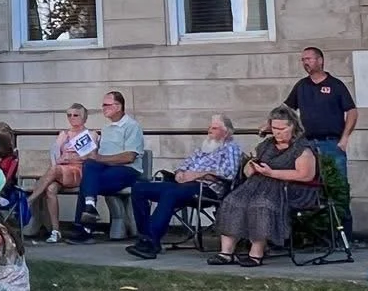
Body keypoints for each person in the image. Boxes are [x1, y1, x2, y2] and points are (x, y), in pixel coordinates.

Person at [207, 107, 321, 267]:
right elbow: (247, 172)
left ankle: (256, 253)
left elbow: (305, 175)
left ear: (293, 126)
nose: (277, 133)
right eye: (274, 128)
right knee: (232, 201)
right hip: (258, 184)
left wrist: (272, 173)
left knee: (261, 205)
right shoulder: (266, 145)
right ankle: (226, 253)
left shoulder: (302, 148)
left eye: (282, 129)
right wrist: (252, 167)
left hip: (289, 188)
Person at [125, 115, 244, 258]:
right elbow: (185, 164)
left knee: (170, 193)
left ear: (226, 132)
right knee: (139, 188)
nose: (209, 130)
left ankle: (151, 243)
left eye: (214, 128)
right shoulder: (204, 147)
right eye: (209, 127)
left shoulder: (231, 147)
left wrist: (200, 174)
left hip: (207, 189)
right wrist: (180, 173)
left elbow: (229, 173)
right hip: (183, 185)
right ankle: (144, 236)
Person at [65, 92, 146, 240]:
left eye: (106, 105)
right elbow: (98, 155)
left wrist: (99, 158)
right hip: (105, 168)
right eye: (103, 105)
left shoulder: (131, 126)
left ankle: (84, 228)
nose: (103, 108)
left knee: (88, 183)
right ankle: (89, 209)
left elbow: (129, 157)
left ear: (118, 106)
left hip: (127, 170)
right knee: (89, 166)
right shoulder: (107, 128)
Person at [283, 47, 357, 186]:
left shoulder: (336, 85)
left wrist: (345, 137)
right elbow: (286, 110)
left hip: (331, 144)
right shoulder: (301, 85)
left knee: (336, 186)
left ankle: (339, 209)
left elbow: (352, 111)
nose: (305, 62)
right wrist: (269, 124)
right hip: (307, 144)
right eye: (303, 60)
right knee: (310, 186)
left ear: (320, 60)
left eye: (308, 59)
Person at [26, 103, 91, 241]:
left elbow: (89, 156)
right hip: (61, 170)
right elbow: (55, 152)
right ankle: (55, 231)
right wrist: (59, 158)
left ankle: (30, 199)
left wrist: (72, 157)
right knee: (50, 188)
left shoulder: (90, 134)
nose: (72, 118)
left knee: (55, 170)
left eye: (76, 115)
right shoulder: (64, 134)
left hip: (78, 171)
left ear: (84, 118)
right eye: (69, 115)